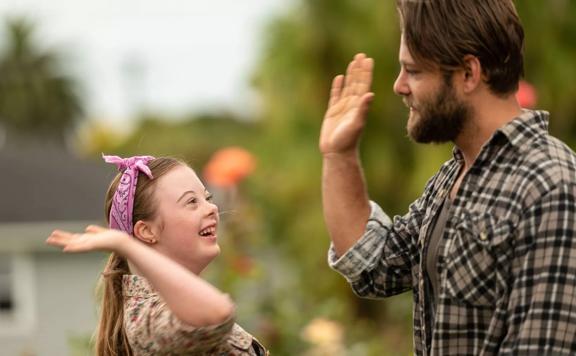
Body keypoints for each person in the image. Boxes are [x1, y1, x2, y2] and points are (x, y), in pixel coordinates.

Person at [320, 0, 576, 355]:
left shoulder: (550, 185)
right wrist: (339, 155)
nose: (399, 86)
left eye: (413, 71)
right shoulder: (453, 176)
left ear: (469, 73)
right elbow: (374, 266)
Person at [46, 155, 268, 356]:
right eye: (192, 202)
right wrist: (125, 245)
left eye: (207, 197)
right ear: (147, 231)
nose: (212, 208)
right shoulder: (146, 319)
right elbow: (217, 313)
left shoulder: (160, 307)